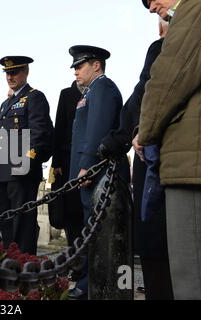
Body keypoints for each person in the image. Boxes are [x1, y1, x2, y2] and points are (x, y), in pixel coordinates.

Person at [98, 12, 173, 299]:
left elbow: (146, 95)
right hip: (164, 153)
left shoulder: (163, 48)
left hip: (162, 157)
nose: (155, 10)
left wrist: (121, 139)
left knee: (156, 239)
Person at [136, 0, 201, 300]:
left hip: (190, 164)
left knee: (190, 280)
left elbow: (168, 78)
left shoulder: (193, 9)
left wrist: (145, 132)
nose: (151, 8)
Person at [68, 45, 130, 299]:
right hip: (93, 172)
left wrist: (87, 165)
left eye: (79, 66)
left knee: (100, 230)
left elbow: (97, 129)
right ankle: (88, 280)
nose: (75, 72)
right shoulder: (92, 91)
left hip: (99, 171)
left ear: (96, 65)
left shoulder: (103, 87)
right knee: (90, 227)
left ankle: (93, 282)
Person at [0, 56, 54, 254]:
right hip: (4, 172)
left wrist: (27, 162)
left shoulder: (34, 97)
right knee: (7, 224)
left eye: (15, 72)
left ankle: (24, 267)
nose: (10, 77)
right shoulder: (6, 104)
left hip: (22, 171)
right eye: (7, 73)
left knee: (23, 225)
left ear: (26, 72)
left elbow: (41, 134)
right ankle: (9, 266)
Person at [49, 81, 84, 247]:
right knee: (71, 213)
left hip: (90, 159)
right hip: (67, 160)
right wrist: (56, 163)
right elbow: (60, 127)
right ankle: (75, 256)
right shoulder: (67, 95)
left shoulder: (99, 92)